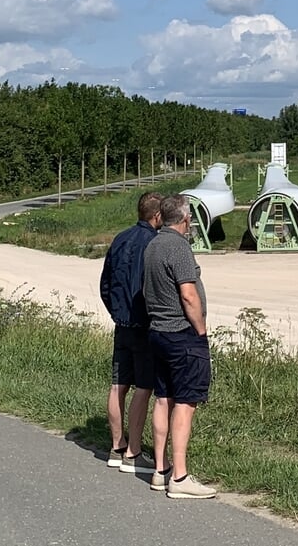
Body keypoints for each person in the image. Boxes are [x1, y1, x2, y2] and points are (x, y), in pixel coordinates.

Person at [142, 195, 216, 499]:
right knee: (186, 403)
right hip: (181, 333)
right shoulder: (179, 247)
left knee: (163, 398)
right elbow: (188, 294)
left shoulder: (153, 244)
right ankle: (180, 476)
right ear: (184, 219)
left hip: (157, 331)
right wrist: (200, 331)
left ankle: (160, 469)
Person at [98, 191, 163, 472]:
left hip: (121, 323)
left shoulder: (120, 238)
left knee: (117, 385)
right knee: (144, 387)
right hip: (143, 325)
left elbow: (105, 282)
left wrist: (116, 312)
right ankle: (134, 452)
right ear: (157, 216)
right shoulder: (154, 243)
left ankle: (116, 446)